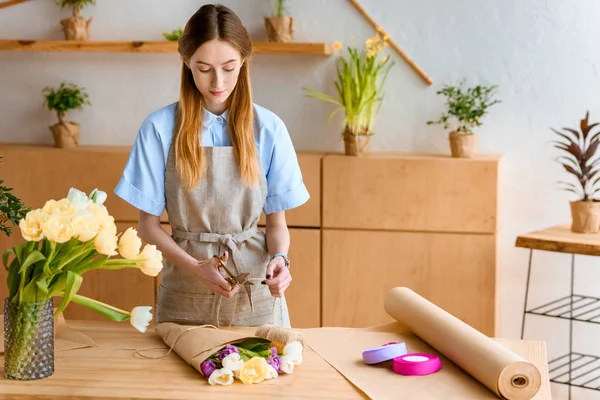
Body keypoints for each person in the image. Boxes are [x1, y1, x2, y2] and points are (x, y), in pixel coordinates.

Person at [114, 3, 309, 328]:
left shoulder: (269, 128)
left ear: (244, 62)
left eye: (229, 67)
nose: (217, 81)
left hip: (255, 293)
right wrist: (195, 266)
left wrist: (280, 259)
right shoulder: (160, 128)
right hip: (183, 290)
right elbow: (148, 226)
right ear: (187, 63)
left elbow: (277, 224)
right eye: (204, 68)